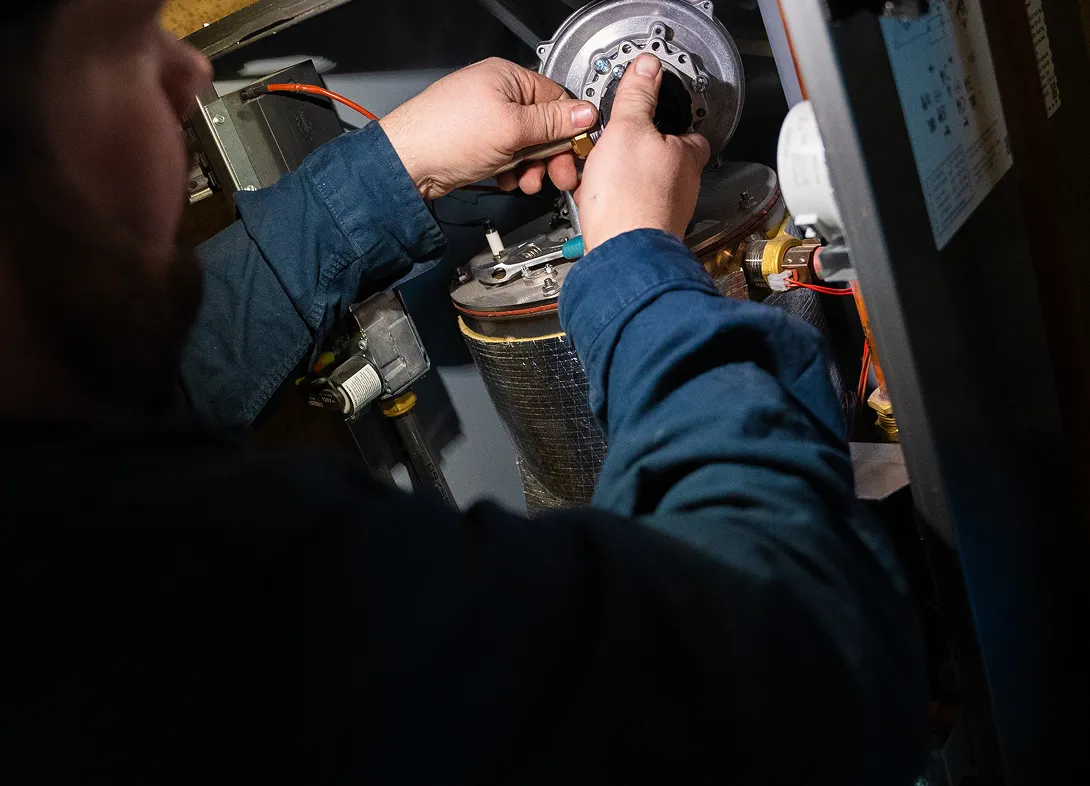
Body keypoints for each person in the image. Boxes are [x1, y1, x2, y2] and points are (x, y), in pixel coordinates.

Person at [0, 1, 927, 783]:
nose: (190, 73)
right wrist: (636, 260)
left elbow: (190, 370)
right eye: (123, 37)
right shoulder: (184, 588)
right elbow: (801, 658)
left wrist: (396, 164)